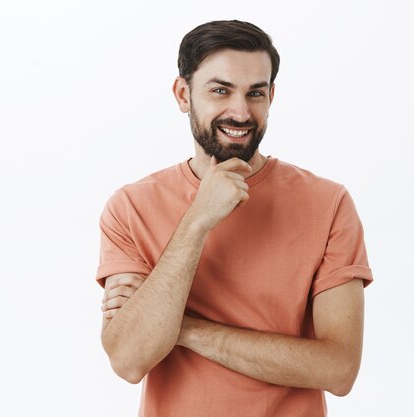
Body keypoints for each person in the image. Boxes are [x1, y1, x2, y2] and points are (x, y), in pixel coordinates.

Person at [95, 20, 373, 416]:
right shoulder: (130, 207)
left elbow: (339, 369)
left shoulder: (328, 203)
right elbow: (129, 359)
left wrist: (181, 327)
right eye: (220, 90)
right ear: (183, 94)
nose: (240, 112)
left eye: (255, 93)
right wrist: (197, 220)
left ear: (271, 96)